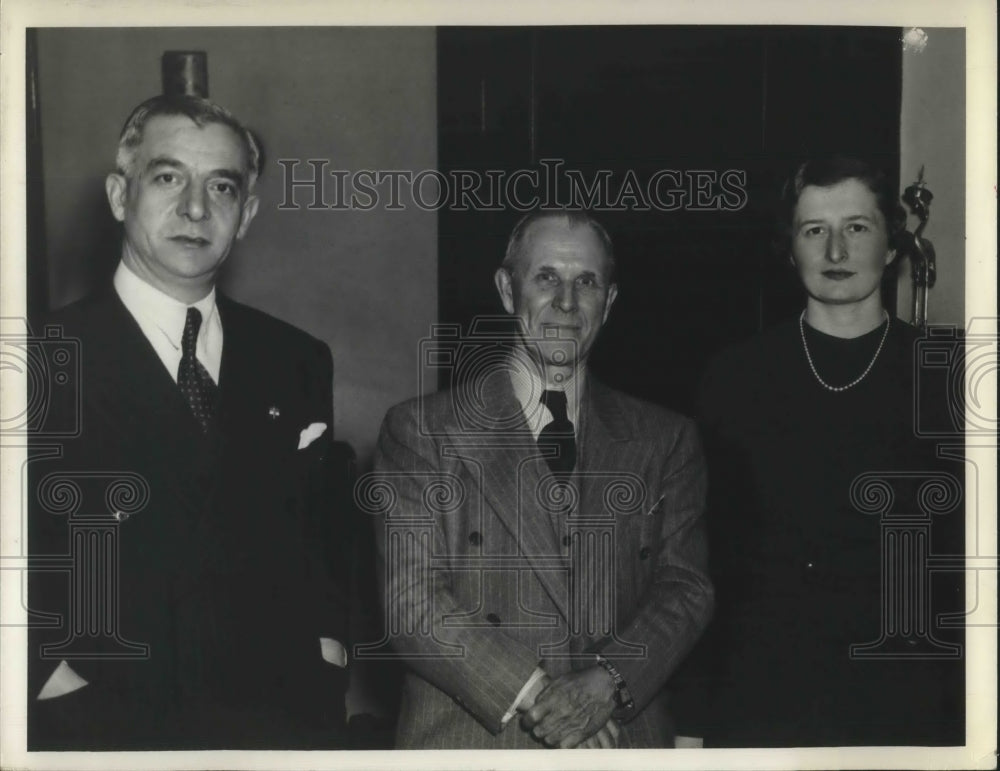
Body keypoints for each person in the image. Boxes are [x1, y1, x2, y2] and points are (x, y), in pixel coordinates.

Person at [27, 95, 349, 750]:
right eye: (168, 177)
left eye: (221, 186)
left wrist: (328, 653)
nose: (196, 208)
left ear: (246, 214)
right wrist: (51, 684)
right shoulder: (36, 357)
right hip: (105, 730)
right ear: (120, 195)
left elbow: (322, 537)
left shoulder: (295, 359)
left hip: (278, 725)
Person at [369, 210, 714, 748]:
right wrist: (542, 695)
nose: (567, 302)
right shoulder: (422, 431)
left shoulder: (665, 439)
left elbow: (685, 589)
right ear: (508, 291)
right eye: (546, 277)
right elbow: (411, 605)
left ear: (610, 301)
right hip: (474, 742)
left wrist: (607, 684)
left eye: (587, 282)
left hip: (619, 741)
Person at [679, 156, 964, 746]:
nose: (836, 250)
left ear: (892, 246)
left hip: (909, 706)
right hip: (763, 701)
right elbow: (707, 564)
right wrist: (692, 724)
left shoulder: (949, 379)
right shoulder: (733, 378)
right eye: (814, 231)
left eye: (857, 227)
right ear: (790, 249)